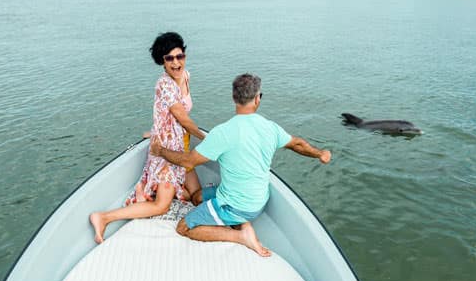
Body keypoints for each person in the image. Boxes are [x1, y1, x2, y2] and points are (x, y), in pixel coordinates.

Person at [150, 73, 331, 257]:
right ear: (257, 98)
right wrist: (320, 153)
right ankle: (243, 223)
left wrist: (161, 151)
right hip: (259, 200)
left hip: (235, 205)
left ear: (233, 98)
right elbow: (297, 144)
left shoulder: (223, 133)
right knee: (197, 197)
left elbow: (188, 161)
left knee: (183, 227)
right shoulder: (271, 128)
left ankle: (241, 236)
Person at [89, 32, 205, 243]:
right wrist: (206, 137)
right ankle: (104, 217)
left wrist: (156, 129)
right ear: (162, 61)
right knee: (162, 205)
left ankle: (150, 194)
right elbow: (182, 117)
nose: (176, 62)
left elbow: (170, 114)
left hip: (181, 146)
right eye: (170, 58)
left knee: (195, 195)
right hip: (167, 153)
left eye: (180, 56)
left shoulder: (185, 76)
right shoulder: (165, 85)